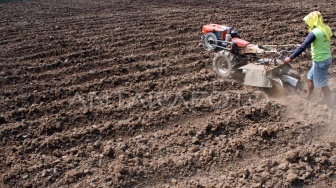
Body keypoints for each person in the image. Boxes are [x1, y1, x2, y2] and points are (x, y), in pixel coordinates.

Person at [284, 11, 333, 105]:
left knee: (322, 83)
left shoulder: (314, 32)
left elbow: (303, 46)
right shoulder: (326, 28)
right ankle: (307, 98)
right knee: (310, 77)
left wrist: (290, 58)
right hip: (326, 59)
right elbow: (318, 43)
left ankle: (330, 102)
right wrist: (303, 45)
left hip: (320, 61)